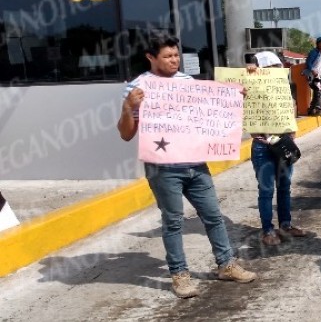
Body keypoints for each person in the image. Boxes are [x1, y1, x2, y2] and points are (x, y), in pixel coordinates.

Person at [117, 35, 256, 298]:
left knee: (213, 216)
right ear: (151, 57)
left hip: (196, 164)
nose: (174, 61)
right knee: (173, 222)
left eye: (176, 55)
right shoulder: (138, 87)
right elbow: (125, 134)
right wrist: (128, 108)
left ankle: (226, 265)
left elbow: (206, 114)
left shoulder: (187, 82)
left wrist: (232, 97)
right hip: (163, 168)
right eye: (167, 56)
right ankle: (180, 275)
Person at [246, 50, 306, 246]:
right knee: (266, 190)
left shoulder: (284, 88)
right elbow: (238, 87)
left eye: (276, 68)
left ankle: (285, 225)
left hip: (283, 143)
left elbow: (291, 111)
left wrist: (292, 134)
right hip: (262, 147)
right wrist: (249, 72)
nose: (274, 72)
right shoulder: (250, 87)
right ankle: (267, 230)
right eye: (269, 69)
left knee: (285, 187)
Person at [305, 37, 321, 115]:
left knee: (318, 92)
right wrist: (313, 70)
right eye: (320, 43)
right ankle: (317, 108)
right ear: (317, 44)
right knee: (318, 91)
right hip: (313, 76)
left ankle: (312, 109)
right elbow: (308, 62)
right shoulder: (314, 52)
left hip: (320, 76)